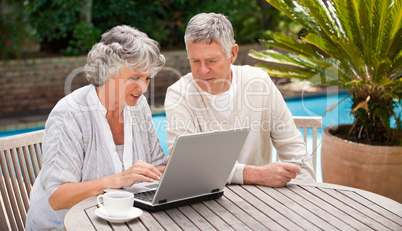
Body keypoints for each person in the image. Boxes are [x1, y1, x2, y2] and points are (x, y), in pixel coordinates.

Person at [26, 25, 166, 230]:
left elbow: (156, 167)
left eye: (147, 78)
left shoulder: (138, 106)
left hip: (117, 223)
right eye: (135, 77)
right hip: (63, 226)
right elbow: (57, 198)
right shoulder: (70, 114)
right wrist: (120, 179)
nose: (143, 88)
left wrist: (171, 169)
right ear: (107, 70)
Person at [164, 13, 316, 187]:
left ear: (233, 53)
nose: (203, 70)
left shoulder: (259, 83)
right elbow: (185, 165)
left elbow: (294, 151)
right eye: (195, 61)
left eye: (212, 60)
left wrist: (309, 195)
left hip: (262, 201)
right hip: (204, 204)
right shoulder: (179, 95)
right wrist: (255, 174)